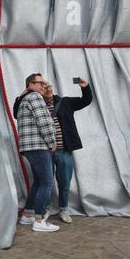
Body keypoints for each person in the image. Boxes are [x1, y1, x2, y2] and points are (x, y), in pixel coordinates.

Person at [42, 78, 93, 223]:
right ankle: (44, 210)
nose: (48, 89)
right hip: (44, 152)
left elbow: (86, 100)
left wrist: (85, 87)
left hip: (64, 150)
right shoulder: (36, 105)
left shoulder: (65, 102)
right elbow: (16, 112)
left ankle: (63, 209)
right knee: (45, 182)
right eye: (44, 87)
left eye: (49, 87)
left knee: (64, 182)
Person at [15, 73, 60, 232]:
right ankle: (39, 220)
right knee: (47, 182)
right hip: (38, 146)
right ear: (30, 84)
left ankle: (27, 215)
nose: (43, 86)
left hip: (29, 147)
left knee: (39, 182)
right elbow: (44, 122)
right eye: (39, 83)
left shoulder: (25, 99)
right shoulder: (34, 97)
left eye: (44, 83)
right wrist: (52, 142)